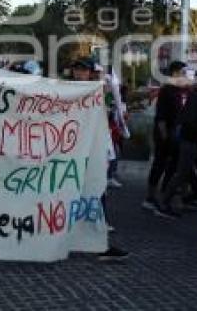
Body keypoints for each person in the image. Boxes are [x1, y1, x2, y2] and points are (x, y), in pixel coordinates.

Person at [70, 57, 129, 262]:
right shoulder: (66, 91)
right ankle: (93, 241)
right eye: (76, 69)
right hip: (74, 152)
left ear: (90, 73)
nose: (79, 73)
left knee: (96, 193)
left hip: (92, 151)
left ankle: (98, 240)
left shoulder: (97, 92)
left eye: (83, 70)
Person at [154, 70, 197, 219]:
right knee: (187, 174)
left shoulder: (194, 95)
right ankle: (164, 202)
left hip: (191, 140)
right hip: (192, 141)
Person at [143, 60, 188, 211]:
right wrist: (164, 137)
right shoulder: (166, 90)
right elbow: (161, 117)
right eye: (183, 72)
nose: (185, 75)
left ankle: (164, 194)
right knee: (159, 164)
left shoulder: (181, 90)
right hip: (165, 133)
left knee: (173, 166)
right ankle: (150, 196)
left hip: (176, 134)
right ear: (175, 73)